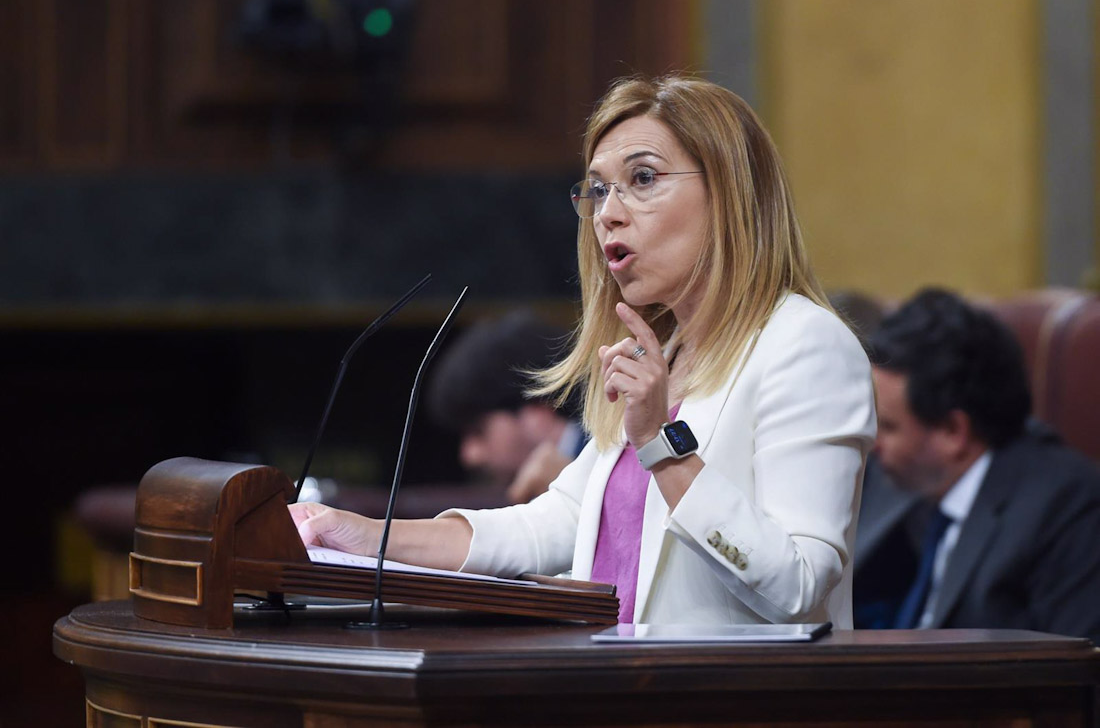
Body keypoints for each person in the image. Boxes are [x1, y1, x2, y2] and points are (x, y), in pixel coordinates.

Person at [290, 74, 876, 626]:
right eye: (597, 191)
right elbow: (557, 525)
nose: (608, 214)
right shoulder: (664, 352)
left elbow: (801, 587)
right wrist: (364, 535)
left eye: (643, 179)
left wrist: (661, 447)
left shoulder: (806, 345)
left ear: (728, 192)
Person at [867, 288, 1100, 640]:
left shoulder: (1065, 508)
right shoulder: (910, 480)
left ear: (952, 430)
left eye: (888, 426)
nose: (872, 444)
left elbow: (1080, 677)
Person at [426, 310, 585, 504]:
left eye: (478, 431)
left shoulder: (615, 453)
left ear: (537, 410)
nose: (469, 455)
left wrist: (580, 491)